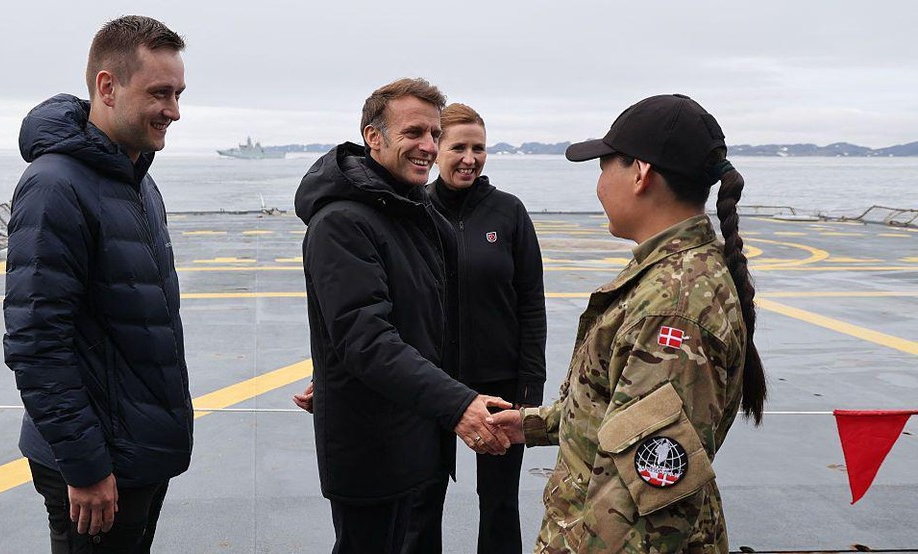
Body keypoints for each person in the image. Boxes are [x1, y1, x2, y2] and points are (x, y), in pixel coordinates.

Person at [489, 94, 768, 552]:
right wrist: (530, 424)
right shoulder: (673, 276)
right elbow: (618, 412)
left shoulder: (672, 307)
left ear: (640, 173)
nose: (599, 185)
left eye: (604, 167)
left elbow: (643, 511)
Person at [294, 78, 512, 554]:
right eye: (414, 132)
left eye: (434, 134)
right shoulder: (342, 222)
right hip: (374, 451)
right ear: (374, 137)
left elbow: (422, 320)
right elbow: (365, 340)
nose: (428, 146)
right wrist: (457, 404)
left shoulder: (410, 210)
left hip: (419, 437)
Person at [3, 15, 191, 553]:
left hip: (137, 452)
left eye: (178, 94)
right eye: (160, 93)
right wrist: (84, 465)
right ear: (107, 87)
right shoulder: (55, 186)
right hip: (96, 464)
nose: (174, 111)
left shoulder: (137, 180)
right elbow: (37, 341)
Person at [426, 103, 547, 554]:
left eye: (478, 148)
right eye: (458, 147)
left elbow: (531, 302)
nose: (469, 158)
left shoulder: (508, 212)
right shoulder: (415, 209)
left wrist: (529, 387)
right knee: (421, 499)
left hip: (501, 386)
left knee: (499, 504)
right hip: (431, 383)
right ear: (436, 149)